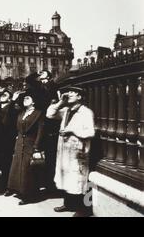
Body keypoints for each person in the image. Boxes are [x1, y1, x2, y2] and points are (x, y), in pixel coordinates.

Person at [46, 87, 95, 216]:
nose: (70, 94)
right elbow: (50, 114)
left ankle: (82, 209)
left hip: (78, 150)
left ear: (80, 97)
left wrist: (72, 131)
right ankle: (69, 204)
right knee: (67, 177)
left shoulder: (86, 112)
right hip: (65, 150)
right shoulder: (66, 110)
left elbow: (90, 132)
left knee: (78, 179)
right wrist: (60, 103)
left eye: (73, 93)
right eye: (69, 93)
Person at [7, 90, 45, 205]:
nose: (25, 100)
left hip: (30, 144)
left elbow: (40, 131)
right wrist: (13, 100)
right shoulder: (21, 113)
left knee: (28, 170)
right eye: (24, 99)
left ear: (34, 102)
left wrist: (36, 146)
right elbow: (9, 114)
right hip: (19, 144)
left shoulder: (38, 113)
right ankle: (20, 190)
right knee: (18, 168)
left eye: (27, 98)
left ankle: (29, 195)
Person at [0, 88, 20, 194]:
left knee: (7, 164)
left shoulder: (13, 107)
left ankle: (8, 187)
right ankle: (1, 184)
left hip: (7, 139)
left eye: (4, 95)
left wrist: (13, 101)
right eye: (0, 95)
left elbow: (8, 118)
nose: (1, 97)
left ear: (10, 97)